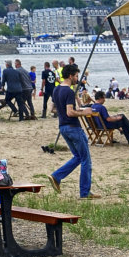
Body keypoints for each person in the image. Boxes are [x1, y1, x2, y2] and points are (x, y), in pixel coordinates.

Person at [49, 65, 98, 199]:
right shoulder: (69, 91)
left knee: (78, 156)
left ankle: (57, 176)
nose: (77, 78)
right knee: (86, 160)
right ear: (70, 76)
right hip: (73, 127)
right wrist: (84, 112)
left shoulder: (56, 90)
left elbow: (53, 109)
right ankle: (84, 192)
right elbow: (70, 112)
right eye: (76, 76)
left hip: (63, 127)